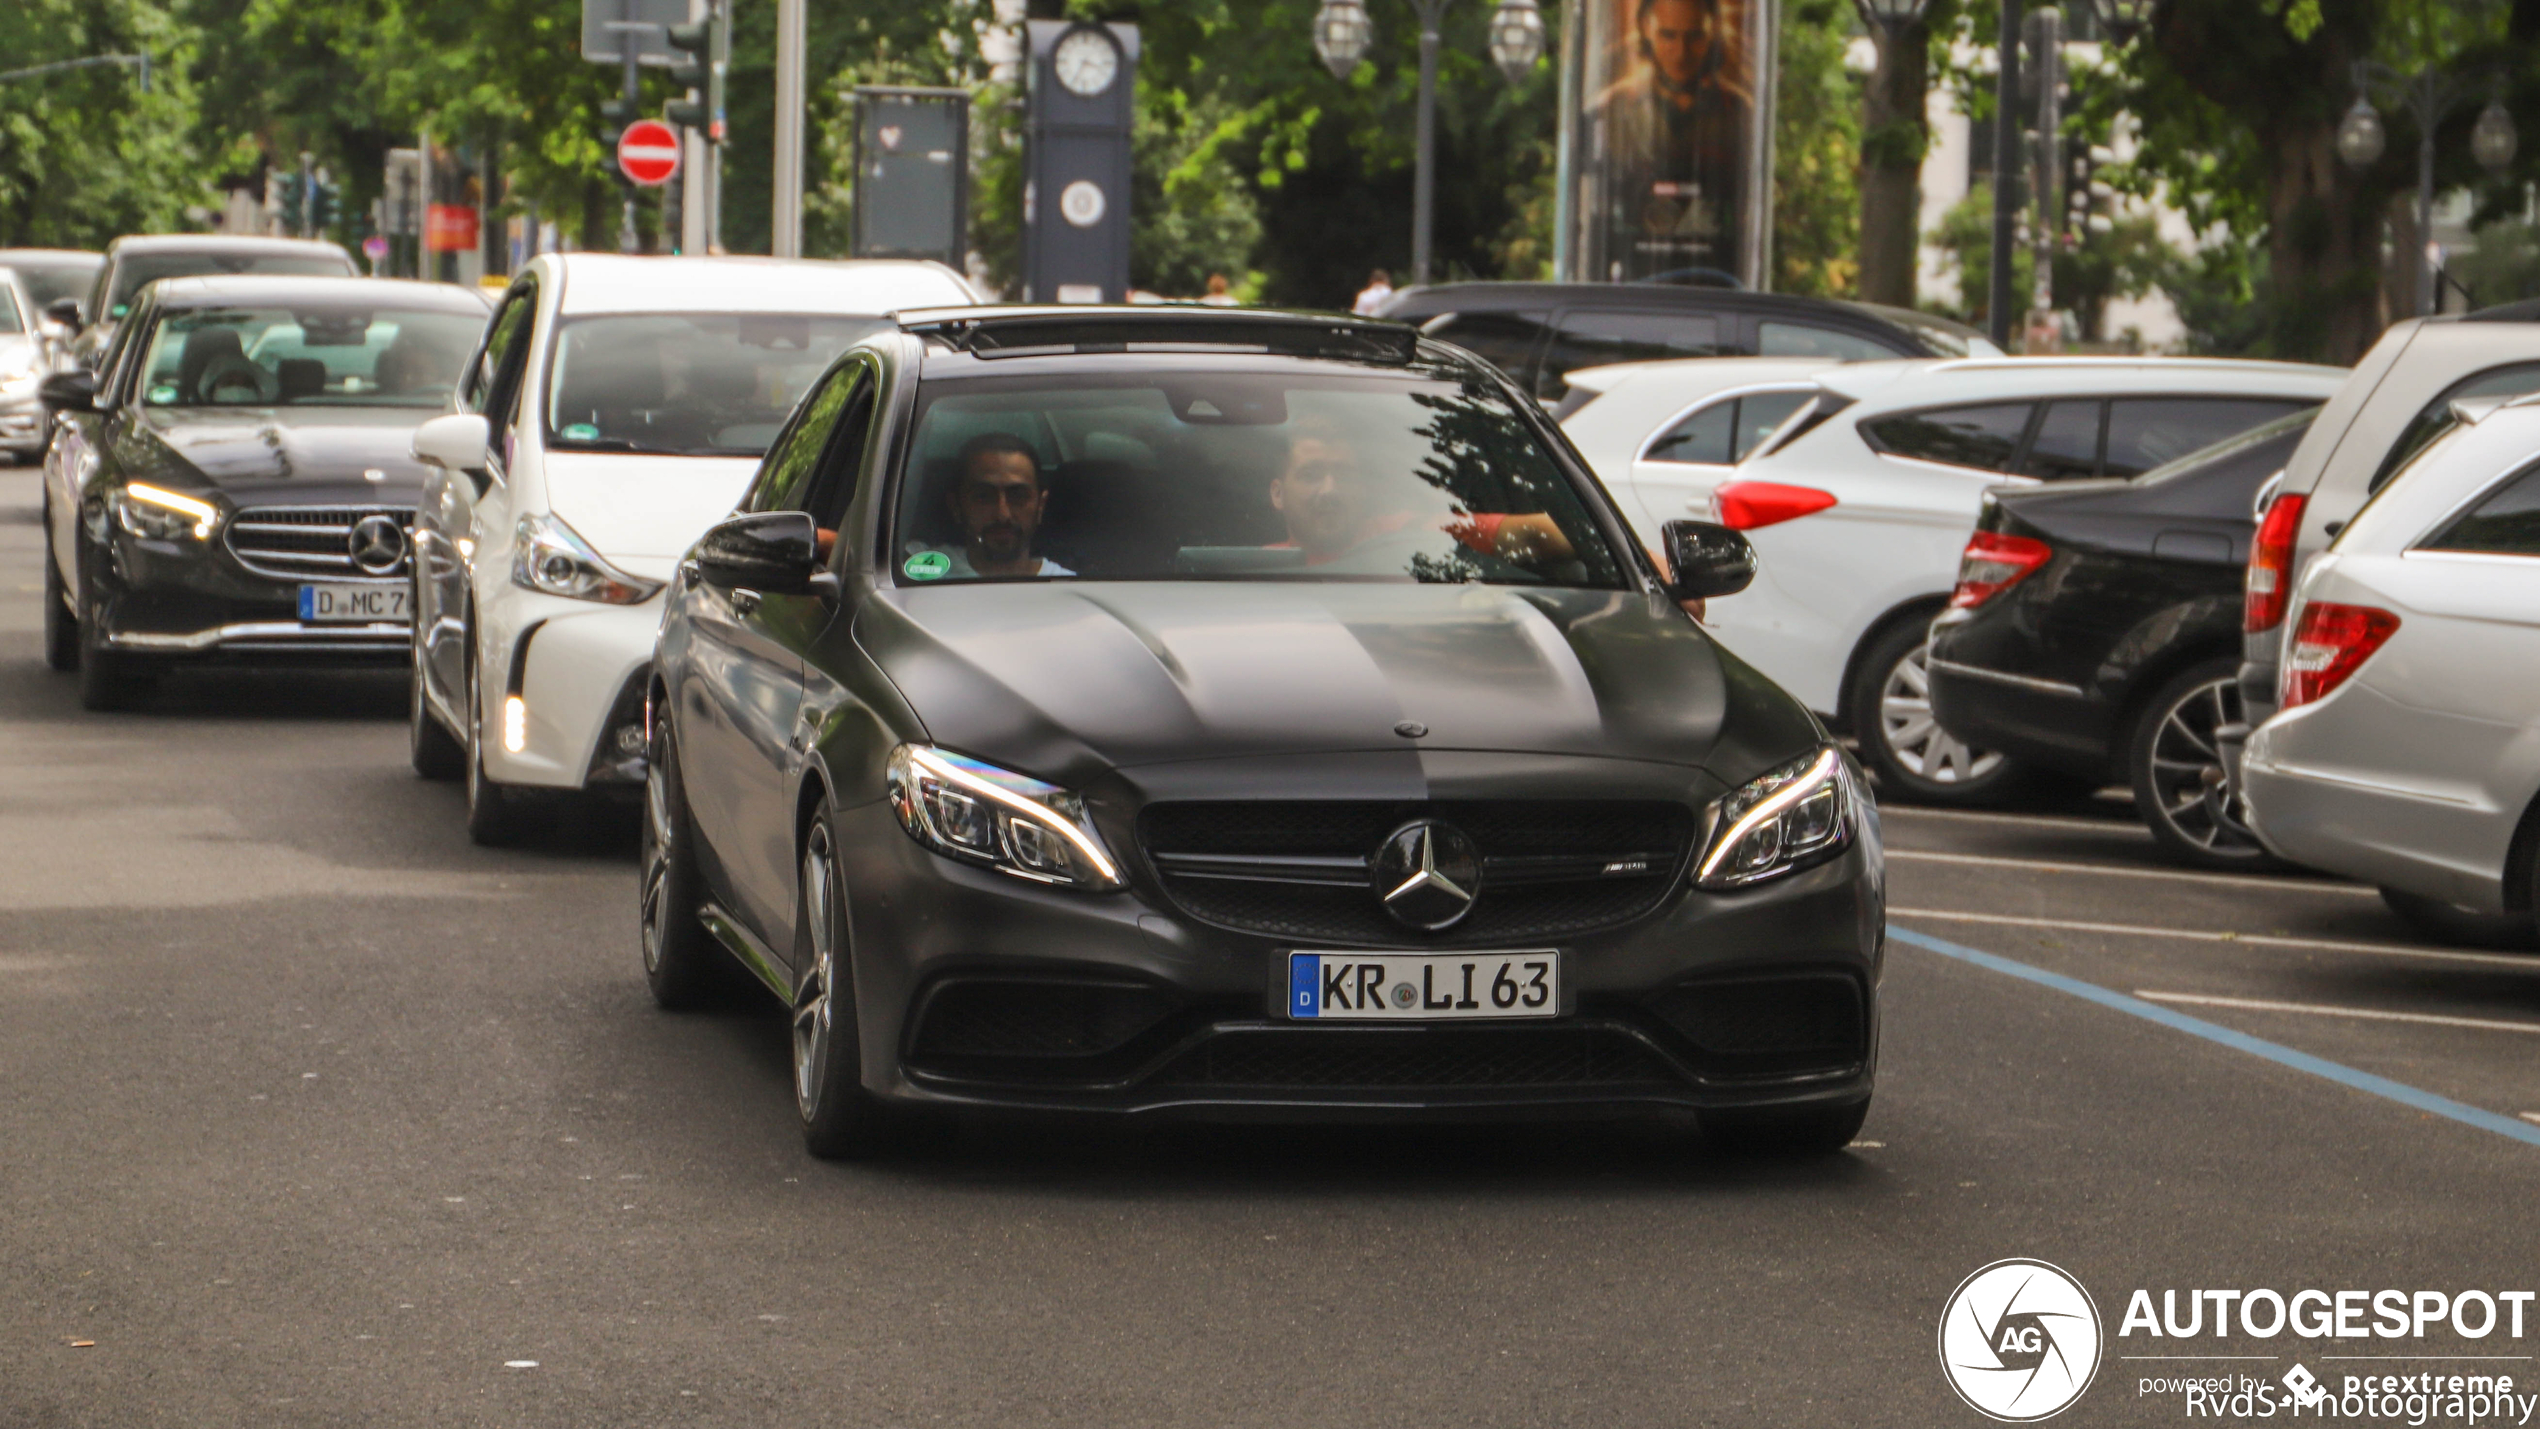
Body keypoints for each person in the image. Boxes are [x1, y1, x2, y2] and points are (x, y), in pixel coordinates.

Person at [1266, 421, 1576, 569]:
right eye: (1310, 475)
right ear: (1277, 494)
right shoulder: (1257, 568)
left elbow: (1542, 535)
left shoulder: (1405, 534)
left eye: (1344, 475)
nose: (1330, 490)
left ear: (1363, 488)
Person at [1587, 0, 1751, 279]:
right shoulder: (1609, 110)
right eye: (1668, 35)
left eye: (1695, 37)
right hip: (1632, 283)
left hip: (1715, 284)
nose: (1680, 53)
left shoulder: (1739, 114)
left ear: (1715, 33)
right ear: (1645, 29)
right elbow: (1595, 212)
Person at [907, 433, 1074, 579]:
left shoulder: (1068, 587)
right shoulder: (919, 568)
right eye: (984, 497)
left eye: (1018, 496)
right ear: (956, 506)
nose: (1003, 514)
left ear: (1041, 506)